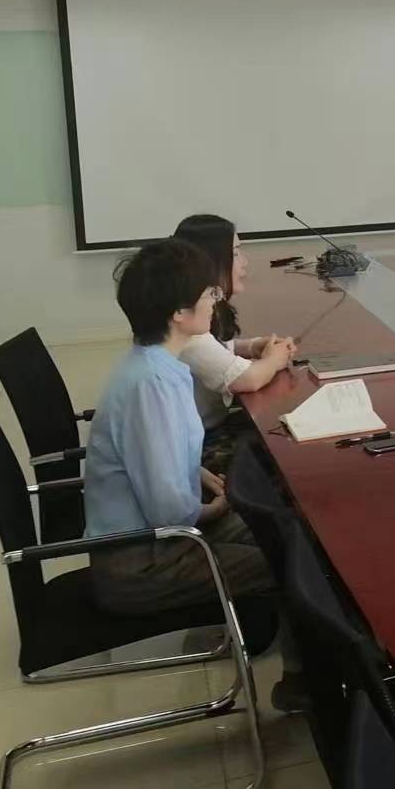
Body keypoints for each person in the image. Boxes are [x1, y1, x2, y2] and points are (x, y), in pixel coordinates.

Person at [84, 237, 305, 709]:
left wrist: (200, 474)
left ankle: (302, 669)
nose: (215, 301)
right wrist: (221, 506)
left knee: (288, 529)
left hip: (160, 538)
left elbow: (155, 459)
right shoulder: (153, 386)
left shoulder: (156, 364)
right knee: (293, 557)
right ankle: (304, 685)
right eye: (209, 294)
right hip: (143, 563)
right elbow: (170, 511)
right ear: (179, 314)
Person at [172, 214, 296, 467]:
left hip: (209, 428)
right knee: (285, 448)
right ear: (210, 260)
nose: (244, 261)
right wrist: (274, 360)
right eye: (236, 253)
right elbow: (247, 379)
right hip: (196, 446)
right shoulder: (187, 325)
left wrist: (251, 346)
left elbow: (216, 348)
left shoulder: (197, 306)